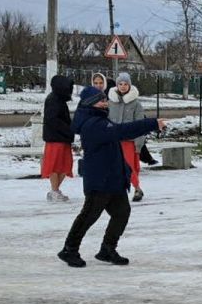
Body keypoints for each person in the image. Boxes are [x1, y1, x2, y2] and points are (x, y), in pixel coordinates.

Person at [57, 86, 166, 268]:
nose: (105, 103)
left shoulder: (99, 119)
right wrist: (152, 124)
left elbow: (118, 132)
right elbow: (122, 131)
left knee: (122, 213)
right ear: (90, 103)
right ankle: (69, 249)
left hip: (113, 179)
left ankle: (107, 249)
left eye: (105, 99)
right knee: (88, 216)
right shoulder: (92, 124)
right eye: (101, 100)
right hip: (100, 180)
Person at [108, 73, 147, 202]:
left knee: (130, 166)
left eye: (125, 84)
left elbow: (140, 124)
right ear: (117, 85)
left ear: (129, 86)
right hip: (114, 139)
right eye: (120, 84)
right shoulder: (110, 102)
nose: (123, 86)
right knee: (113, 166)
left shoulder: (136, 104)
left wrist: (139, 143)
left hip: (129, 140)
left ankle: (137, 188)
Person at [41, 75, 75, 202]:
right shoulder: (53, 100)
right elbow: (53, 120)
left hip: (62, 137)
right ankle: (54, 190)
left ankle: (54, 190)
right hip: (56, 138)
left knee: (65, 165)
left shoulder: (58, 99)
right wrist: (68, 129)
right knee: (55, 166)